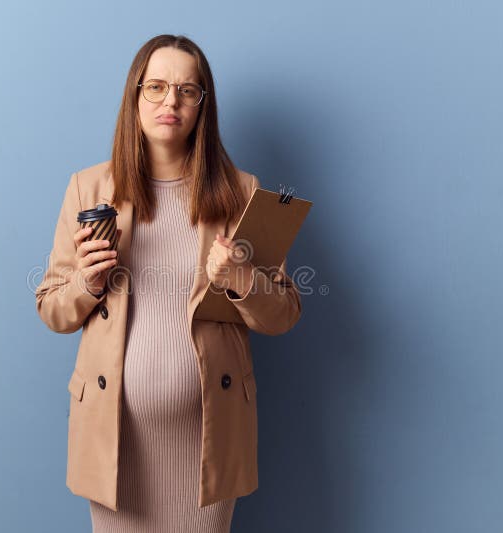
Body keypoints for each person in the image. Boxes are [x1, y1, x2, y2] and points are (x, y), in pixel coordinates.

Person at [35, 34, 302, 532]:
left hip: (208, 443)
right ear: (135, 97)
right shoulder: (88, 188)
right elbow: (52, 308)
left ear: (204, 104)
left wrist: (242, 278)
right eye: (155, 87)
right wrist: (87, 284)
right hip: (115, 442)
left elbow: (284, 313)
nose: (170, 102)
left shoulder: (242, 192)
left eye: (186, 90)